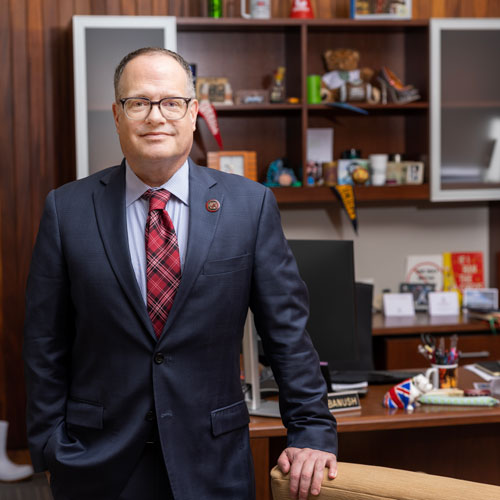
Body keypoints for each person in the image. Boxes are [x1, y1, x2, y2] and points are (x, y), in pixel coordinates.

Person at [23, 47, 337, 500]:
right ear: (117, 115)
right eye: (139, 103)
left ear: (192, 113)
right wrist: (50, 446)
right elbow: (43, 343)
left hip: (213, 461)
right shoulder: (66, 209)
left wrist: (310, 431)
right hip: (96, 463)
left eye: (172, 102)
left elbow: (287, 334)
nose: (156, 117)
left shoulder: (250, 206)